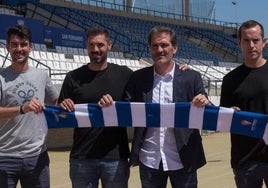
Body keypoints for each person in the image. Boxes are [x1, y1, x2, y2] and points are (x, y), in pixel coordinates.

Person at [99, 26, 210, 188]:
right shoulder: (138, 78)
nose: (160, 50)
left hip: (184, 159)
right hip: (149, 159)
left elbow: (208, 109)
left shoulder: (191, 77)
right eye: (155, 46)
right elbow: (126, 110)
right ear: (150, 49)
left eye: (164, 45)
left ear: (175, 48)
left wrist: (204, 102)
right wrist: (109, 105)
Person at [58, 27, 133, 188]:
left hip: (115, 157)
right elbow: (61, 114)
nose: (95, 49)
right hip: (82, 157)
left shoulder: (125, 74)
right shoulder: (73, 77)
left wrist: (180, 68)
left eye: (100, 45)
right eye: (91, 45)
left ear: (109, 45)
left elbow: (140, 99)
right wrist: (63, 106)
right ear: (86, 46)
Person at [0, 25, 58, 187]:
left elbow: (55, 103)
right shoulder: (0, 77)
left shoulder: (42, 76)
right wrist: (22, 109)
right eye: (14, 44)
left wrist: (65, 103)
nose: (19, 49)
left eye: (23, 44)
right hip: (5, 156)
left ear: (30, 47)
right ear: (8, 48)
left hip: (37, 155)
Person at [220, 20, 268, 188]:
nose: (251, 45)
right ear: (239, 43)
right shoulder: (230, 80)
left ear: (264, 42)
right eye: (246, 41)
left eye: (255, 40)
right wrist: (229, 115)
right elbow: (223, 122)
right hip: (245, 160)